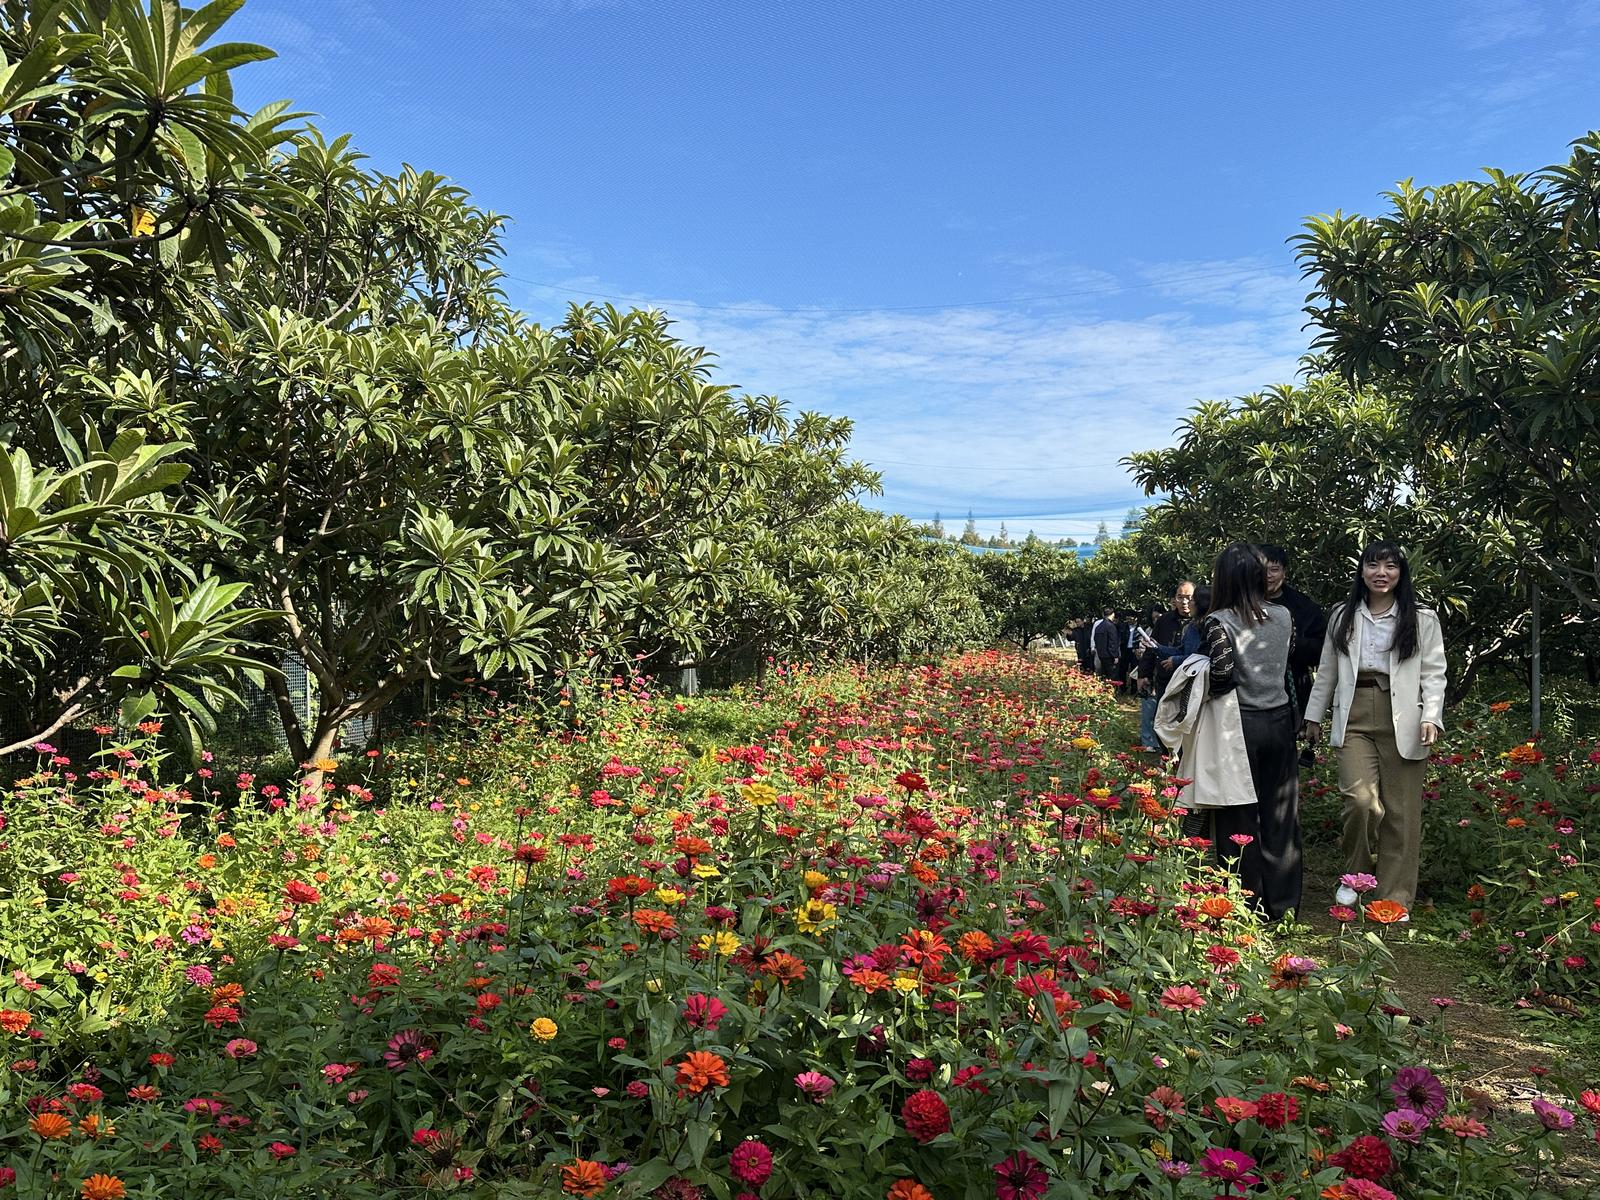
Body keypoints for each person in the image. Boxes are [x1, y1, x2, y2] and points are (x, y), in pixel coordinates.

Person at [1302, 541, 1446, 914]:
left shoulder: (1422, 617)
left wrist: (1431, 715)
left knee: (1401, 812)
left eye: (1390, 566)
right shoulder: (1343, 615)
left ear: (1401, 573)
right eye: (1373, 565)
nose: (1381, 573)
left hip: (1405, 716)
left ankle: (1394, 897)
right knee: (1359, 801)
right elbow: (1327, 669)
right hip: (1354, 713)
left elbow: (1434, 672)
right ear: (1362, 570)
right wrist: (1313, 715)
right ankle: (1356, 876)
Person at [1201, 543, 1301, 921]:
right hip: (1280, 721)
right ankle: (1284, 905)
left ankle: (1246, 903)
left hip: (1238, 724)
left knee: (1238, 816)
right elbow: (1287, 658)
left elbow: (1223, 674)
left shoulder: (1219, 621)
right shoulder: (1284, 615)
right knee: (1281, 815)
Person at [1260, 545, 1327, 720]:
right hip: (1249, 693)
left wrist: (1290, 642)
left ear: (1284, 572)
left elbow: (1321, 650)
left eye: (1274, 570)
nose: (1268, 575)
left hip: (1293, 690)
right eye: (1262, 570)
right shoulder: (1240, 605)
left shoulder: (1303, 606)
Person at [1138, 582, 1195, 750]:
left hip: (1190, 682)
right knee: (1164, 720)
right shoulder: (1164, 620)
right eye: (1180, 597)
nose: (1184, 602)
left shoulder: (1202, 622)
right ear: (1174, 600)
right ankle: (1166, 755)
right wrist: (1143, 674)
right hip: (1166, 680)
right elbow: (1152, 648)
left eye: (1189, 597)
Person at [1091, 607, 1119, 679]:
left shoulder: (1098, 626)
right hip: (1109, 656)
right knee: (1112, 676)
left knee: (1104, 675)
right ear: (1112, 614)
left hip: (1101, 654)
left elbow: (1096, 639)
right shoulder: (1111, 626)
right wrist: (1115, 656)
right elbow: (1112, 642)